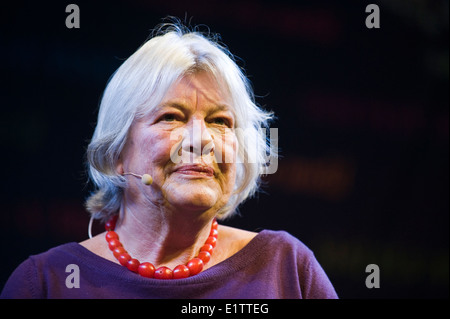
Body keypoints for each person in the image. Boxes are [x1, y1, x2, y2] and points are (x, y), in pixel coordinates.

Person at [1, 22, 338, 299]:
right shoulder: (45, 283)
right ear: (118, 152)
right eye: (172, 117)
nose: (201, 140)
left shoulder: (286, 269)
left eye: (220, 121)